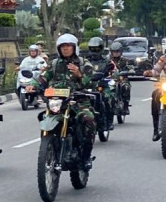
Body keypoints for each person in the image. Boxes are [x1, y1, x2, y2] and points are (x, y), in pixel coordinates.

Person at [31, 33, 96, 167]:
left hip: (78, 102)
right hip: (58, 102)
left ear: (74, 48)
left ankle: (86, 156)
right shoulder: (54, 64)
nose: (65, 49)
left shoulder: (84, 63)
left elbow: (92, 83)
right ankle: (50, 147)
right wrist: (33, 85)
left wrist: (79, 74)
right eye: (63, 46)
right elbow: (43, 77)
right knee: (42, 116)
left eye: (68, 46)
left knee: (88, 120)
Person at [82, 37, 114, 129]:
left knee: (107, 98)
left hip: (102, 84)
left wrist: (110, 71)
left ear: (101, 48)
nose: (94, 51)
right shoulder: (85, 61)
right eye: (92, 48)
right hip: (88, 84)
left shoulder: (106, 60)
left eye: (97, 48)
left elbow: (112, 69)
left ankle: (108, 121)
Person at [107, 41, 132, 115]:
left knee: (126, 87)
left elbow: (130, 67)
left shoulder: (125, 60)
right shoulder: (108, 61)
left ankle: (126, 106)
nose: (116, 53)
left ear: (121, 51)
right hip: (111, 79)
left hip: (122, 79)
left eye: (117, 51)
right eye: (114, 51)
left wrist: (131, 70)